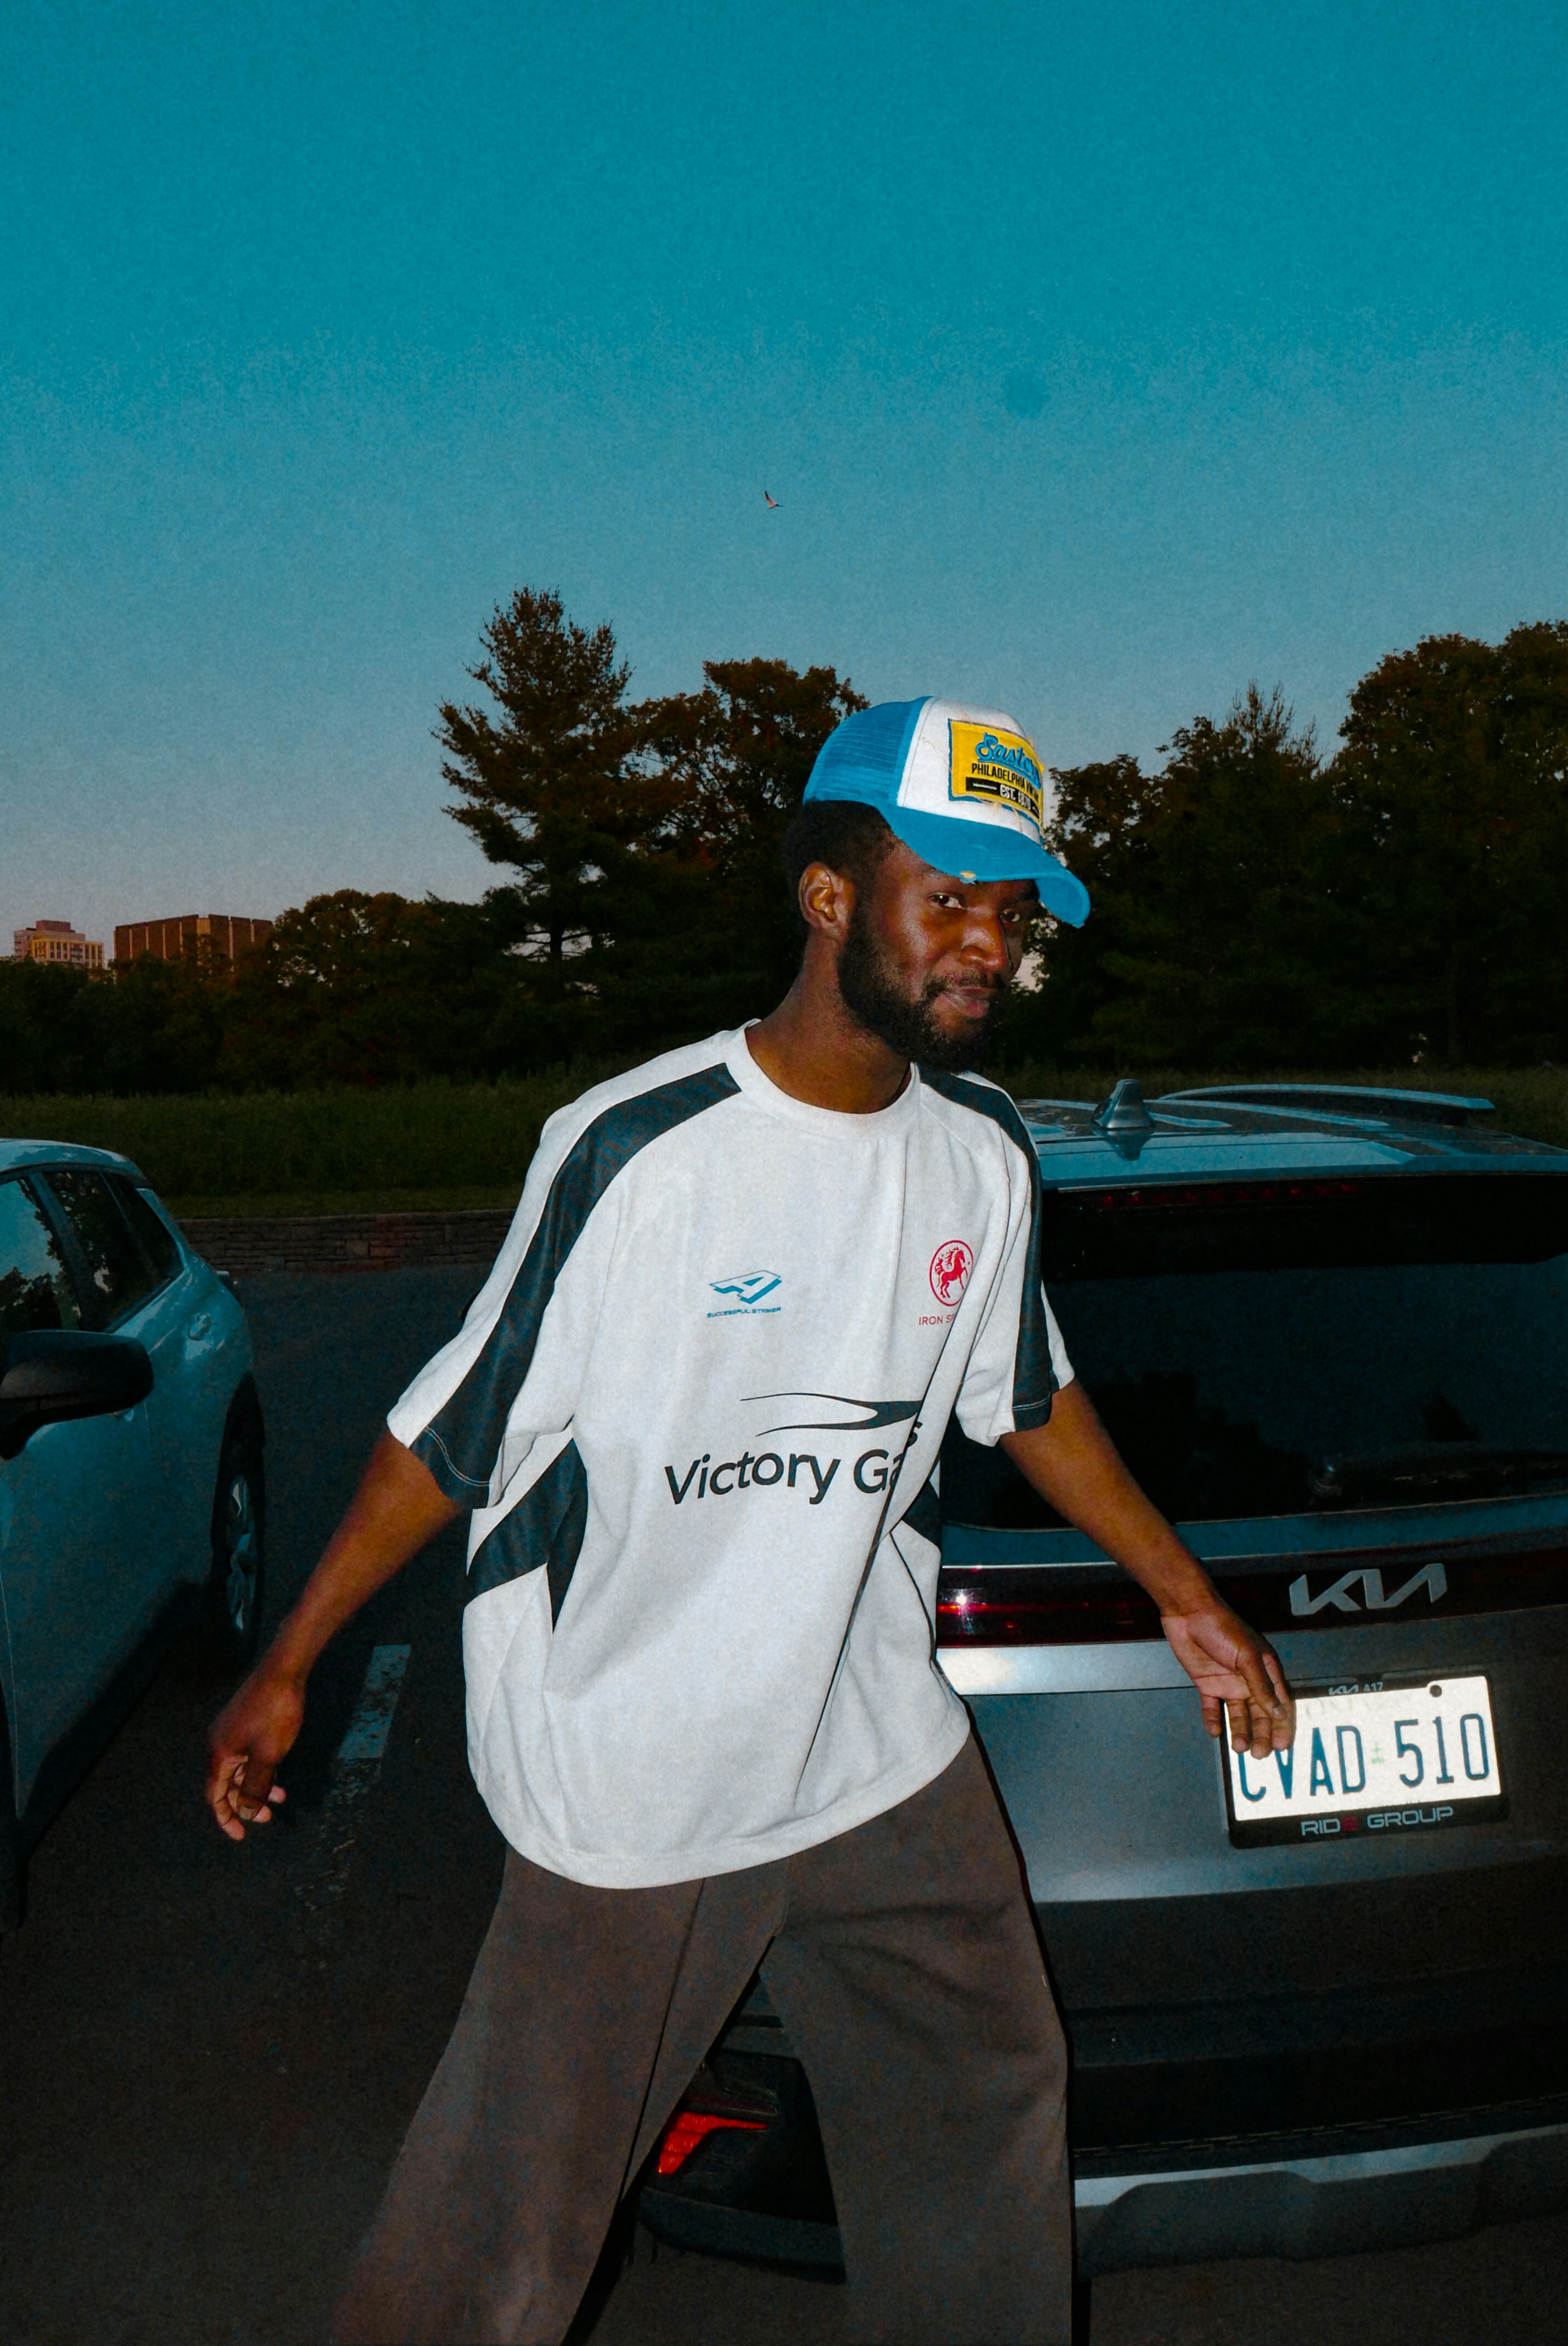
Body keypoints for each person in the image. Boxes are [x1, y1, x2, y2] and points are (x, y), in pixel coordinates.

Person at [207, 694, 1295, 2346]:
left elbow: (1025, 1394)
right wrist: (289, 1661)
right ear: (830, 896)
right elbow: (452, 1432)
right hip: (638, 1775)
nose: (988, 947)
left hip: (874, 1751)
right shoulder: (643, 1151)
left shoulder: (985, 1152)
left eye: (1014, 915)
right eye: (953, 899)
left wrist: (1184, 1596)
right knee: (507, 2237)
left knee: (990, 2106)